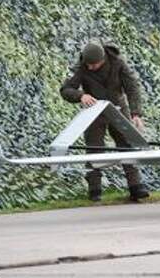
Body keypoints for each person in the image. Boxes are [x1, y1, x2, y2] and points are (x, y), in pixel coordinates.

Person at [60, 42, 149, 202]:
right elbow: (66, 89)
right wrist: (80, 95)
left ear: (103, 59)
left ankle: (136, 186)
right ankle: (95, 190)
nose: (91, 67)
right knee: (93, 148)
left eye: (94, 64)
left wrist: (136, 114)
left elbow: (132, 88)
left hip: (118, 108)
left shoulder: (118, 63)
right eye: (88, 64)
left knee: (127, 145)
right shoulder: (81, 68)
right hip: (94, 110)